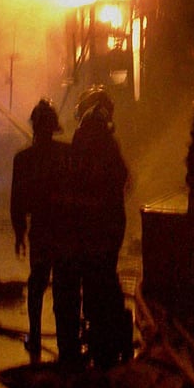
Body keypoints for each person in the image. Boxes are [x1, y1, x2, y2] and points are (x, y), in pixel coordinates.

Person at [56, 85, 132, 369]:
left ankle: (105, 341)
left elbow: (76, 178)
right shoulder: (109, 142)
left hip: (95, 224)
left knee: (96, 280)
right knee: (104, 278)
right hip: (110, 221)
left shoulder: (87, 136)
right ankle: (112, 339)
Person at [10, 99, 69, 359]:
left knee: (37, 283)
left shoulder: (23, 160)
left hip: (42, 230)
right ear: (53, 127)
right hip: (65, 231)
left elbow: (17, 200)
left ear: (34, 126)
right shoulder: (68, 155)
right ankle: (68, 343)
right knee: (64, 286)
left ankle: (34, 338)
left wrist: (19, 233)